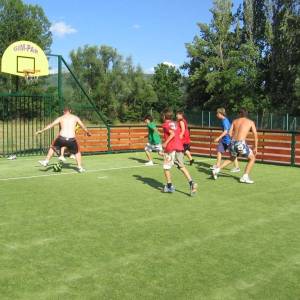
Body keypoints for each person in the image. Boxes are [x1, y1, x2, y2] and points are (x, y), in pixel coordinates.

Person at [35, 107, 91, 172]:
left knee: (53, 147)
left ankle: (46, 161)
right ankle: (80, 167)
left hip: (61, 138)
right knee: (77, 152)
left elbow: (51, 125)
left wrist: (41, 131)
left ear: (63, 111)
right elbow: (83, 126)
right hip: (71, 139)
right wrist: (88, 132)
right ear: (70, 111)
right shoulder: (75, 118)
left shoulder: (61, 118)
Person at [212, 108, 258, 184]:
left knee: (232, 158)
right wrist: (255, 147)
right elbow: (255, 135)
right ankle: (245, 177)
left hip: (232, 142)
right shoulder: (250, 122)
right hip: (240, 143)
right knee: (252, 158)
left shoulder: (234, 121)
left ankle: (217, 169)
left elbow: (229, 133)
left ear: (239, 114)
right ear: (246, 114)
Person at [161, 109, 197, 196]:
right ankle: (191, 182)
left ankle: (169, 186)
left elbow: (172, 134)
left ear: (164, 116)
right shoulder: (175, 123)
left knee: (166, 167)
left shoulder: (165, 124)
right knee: (181, 166)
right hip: (179, 147)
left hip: (171, 148)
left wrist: (165, 143)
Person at [210, 108, 240, 172]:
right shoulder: (223, 120)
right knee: (219, 151)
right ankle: (218, 165)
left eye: (217, 113)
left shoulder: (225, 121)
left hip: (228, 140)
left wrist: (218, 138)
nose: (216, 115)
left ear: (220, 113)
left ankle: (237, 167)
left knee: (232, 154)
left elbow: (226, 131)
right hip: (224, 139)